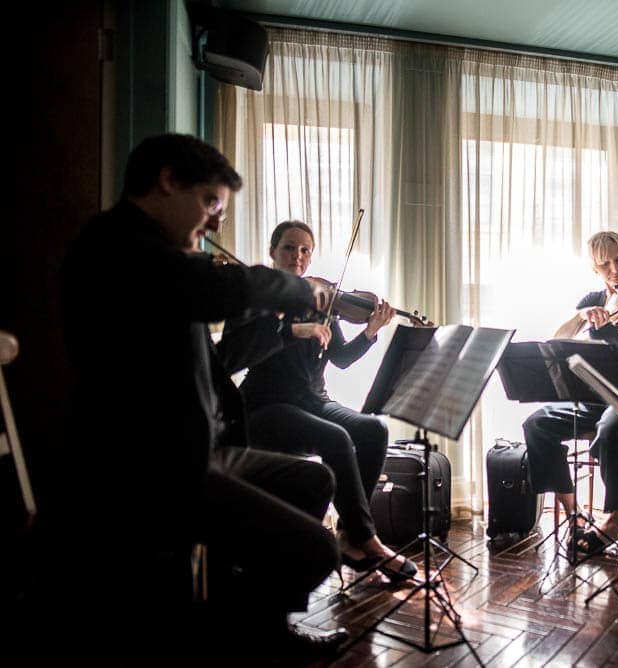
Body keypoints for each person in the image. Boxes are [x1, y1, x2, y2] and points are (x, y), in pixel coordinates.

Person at [53, 134, 349, 663]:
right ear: (169, 182)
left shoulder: (162, 257)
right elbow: (223, 290)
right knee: (317, 548)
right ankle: (240, 627)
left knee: (316, 477)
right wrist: (300, 290)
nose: (215, 224)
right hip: (145, 469)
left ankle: (262, 620)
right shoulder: (120, 245)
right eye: (211, 204)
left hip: (196, 449)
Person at [217, 220, 417, 582]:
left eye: (305, 250)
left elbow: (339, 357)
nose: (297, 256)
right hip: (266, 405)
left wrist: (370, 332)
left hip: (313, 399)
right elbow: (238, 354)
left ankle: (349, 533)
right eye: (289, 248)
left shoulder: (320, 298)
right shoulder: (256, 296)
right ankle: (368, 540)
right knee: (335, 438)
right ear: (273, 253)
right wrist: (293, 328)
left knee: (373, 429)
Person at [522, 231, 618, 555]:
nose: (616, 270)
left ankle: (614, 519)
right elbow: (554, 342)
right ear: (594, 269)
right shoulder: (591, 301)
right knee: (536, 424)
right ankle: (574, 511)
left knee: (611, 427)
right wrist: (580, 317)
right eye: (605, 265)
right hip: (597, 400)